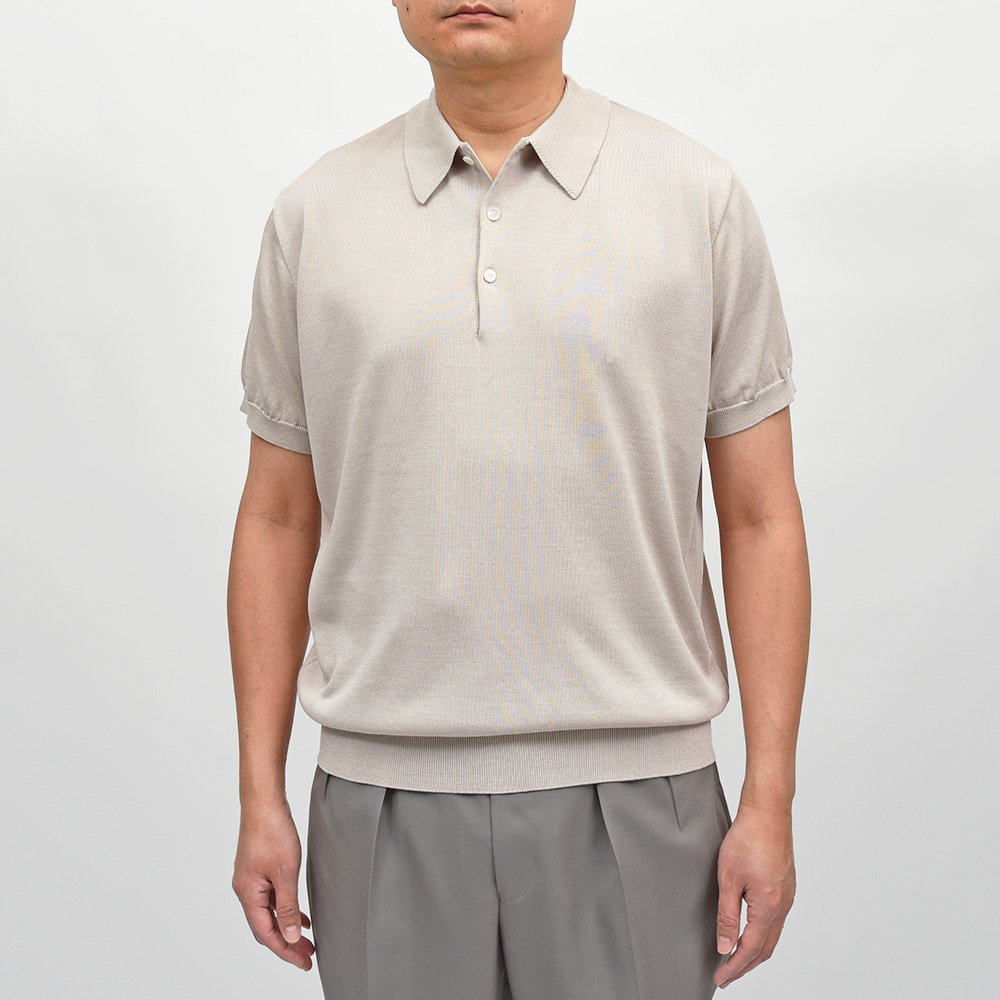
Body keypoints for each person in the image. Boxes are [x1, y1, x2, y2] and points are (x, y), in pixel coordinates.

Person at [228, 1, 810, 997]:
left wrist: (770, 795)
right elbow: (278, 515)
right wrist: (258, 793)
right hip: (380, 795)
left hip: (642, 795)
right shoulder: (314, 214)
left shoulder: (694, 198)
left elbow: (760, 516)